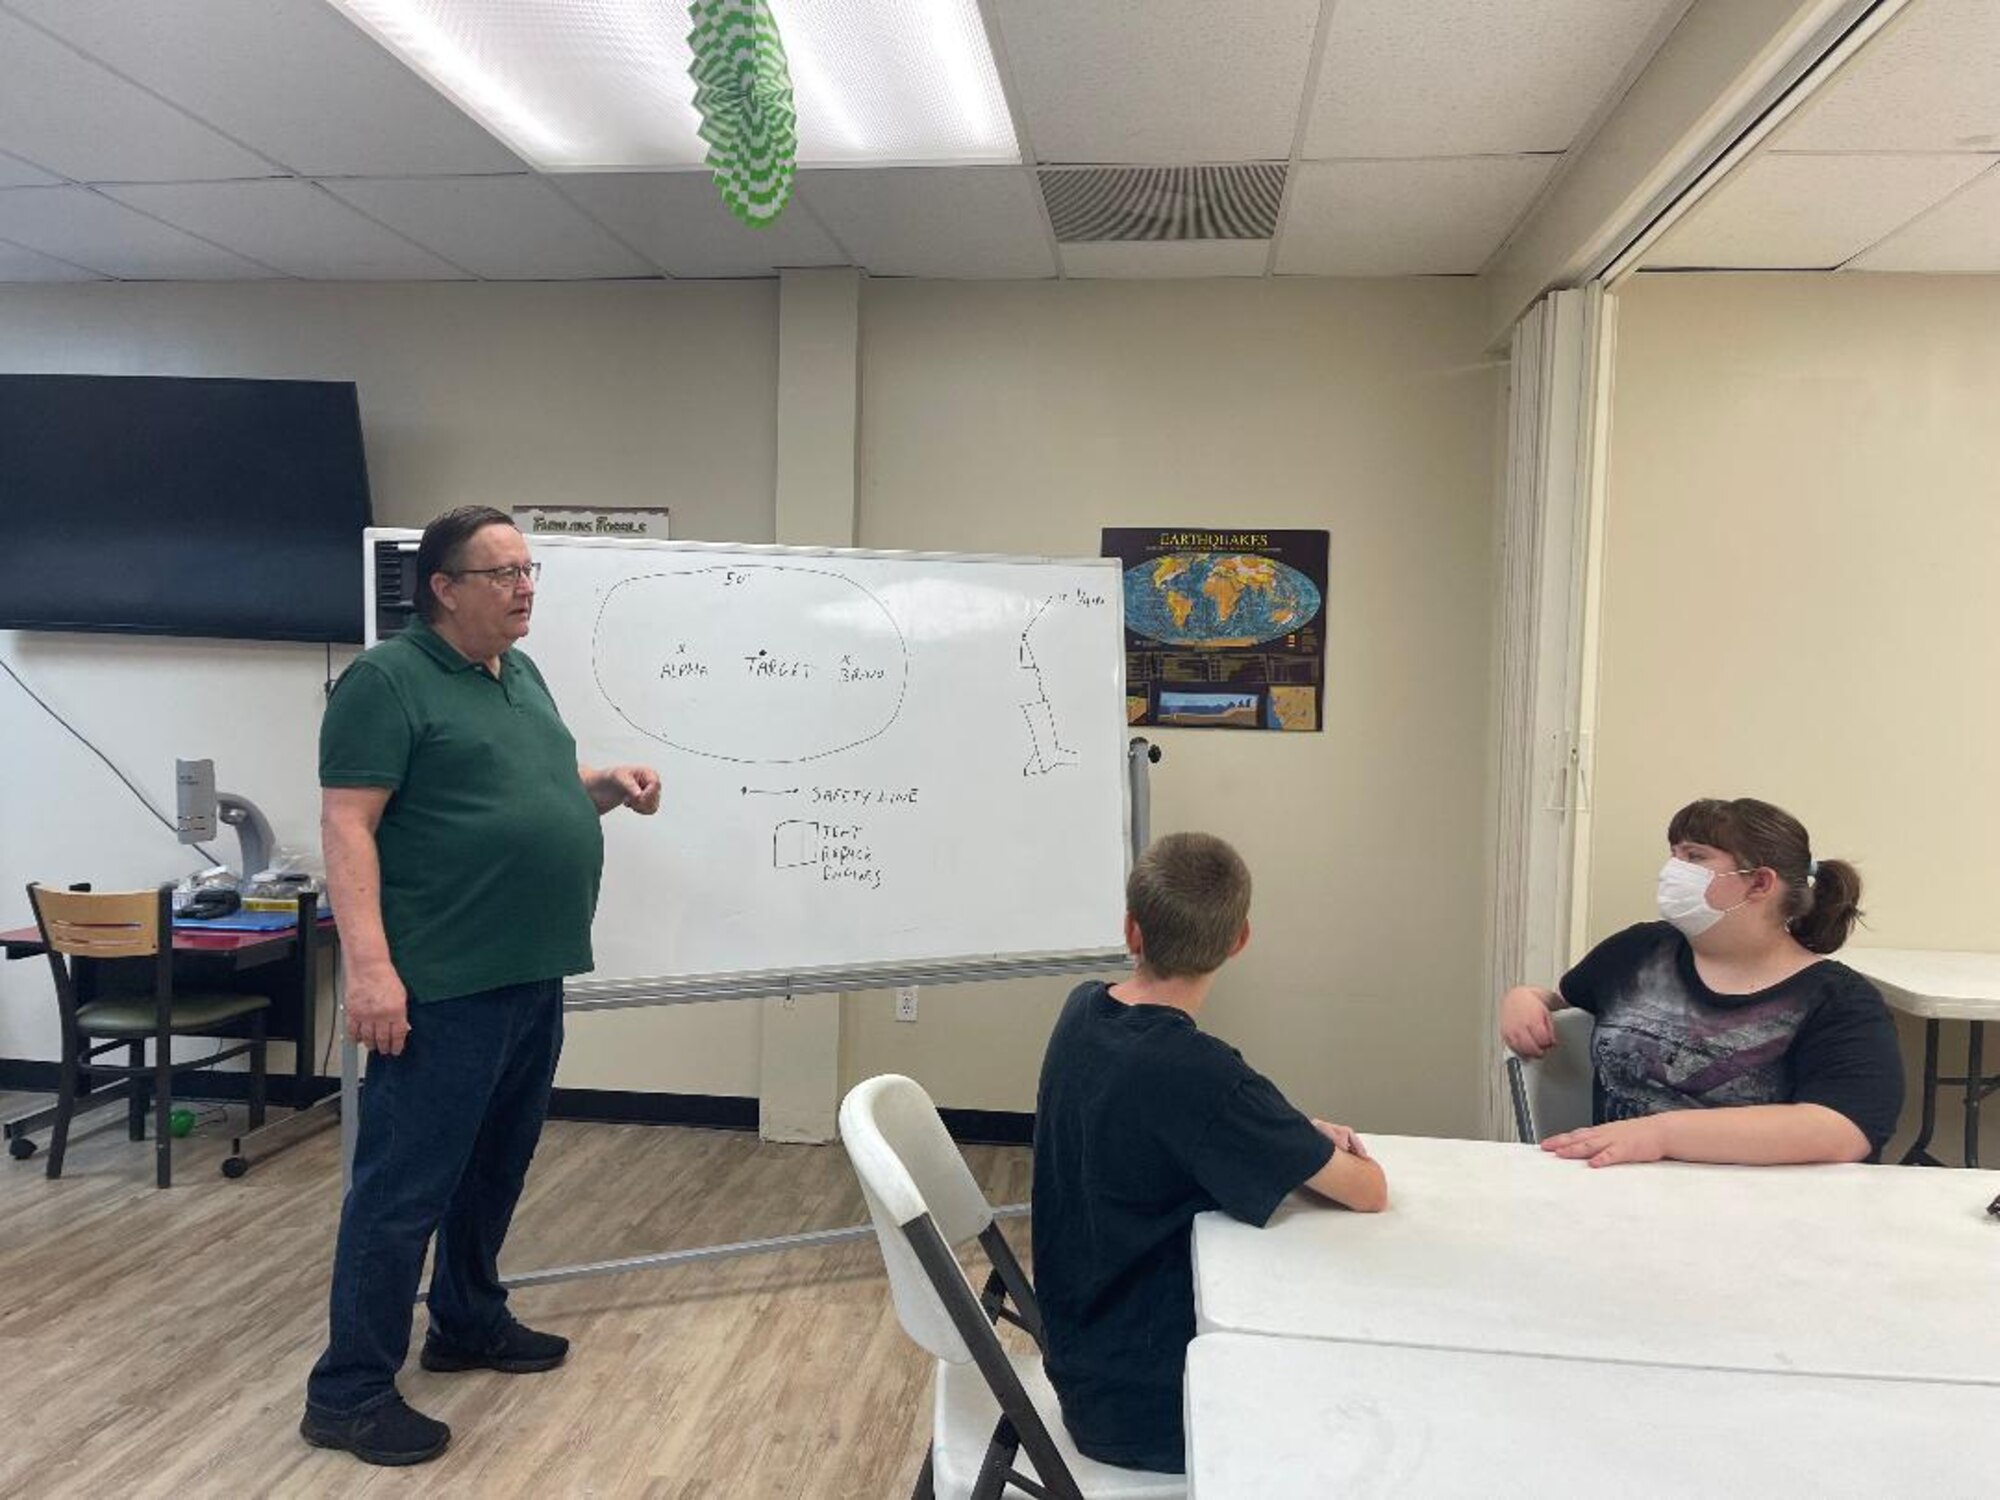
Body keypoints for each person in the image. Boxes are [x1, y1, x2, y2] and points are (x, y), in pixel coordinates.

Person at [301, 506, 661, 1466]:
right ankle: (348, 1392)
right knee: (402, 1190)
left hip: (528, 971)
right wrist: (371, 971)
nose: (524, 586)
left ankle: (466, 1320)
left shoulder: (519, 673)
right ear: (444, 588)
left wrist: (600, 786)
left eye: (528, 569)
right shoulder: (386, 680)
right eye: (501, 573)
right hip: (443, 985)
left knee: (494, 1168)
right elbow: (349, 827)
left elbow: (521, 788)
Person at [1032, 831, 1387, 1475]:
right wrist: (1290, 1134)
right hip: (1151, 1405)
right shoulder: (1204, 1076)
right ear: (1239, 940)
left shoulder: (1082, 1010)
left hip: (1082, 1355)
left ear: (1131, 930)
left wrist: (1282, 1129)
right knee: (1364, 1397)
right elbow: (1368, 1189)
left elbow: (1162, 1121)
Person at [1501, 796, 1902, 1168]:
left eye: (1695, 857)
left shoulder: (1840, 1001)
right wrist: (1526, 997)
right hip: (1620, 1200)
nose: (1673, 871)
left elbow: (1842, 1130)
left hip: (1764, 1216)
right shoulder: (1638, 951)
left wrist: (1662, 1134)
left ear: (1760, 883)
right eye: (1674, 854)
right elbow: (1564, 1002)